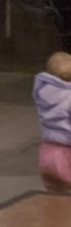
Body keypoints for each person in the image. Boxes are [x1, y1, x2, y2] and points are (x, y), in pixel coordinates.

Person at [34, 51, 71, 194]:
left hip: (47, 151)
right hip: (67, 152)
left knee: (53, 192)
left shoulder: (44, 93)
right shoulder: (69, 97)